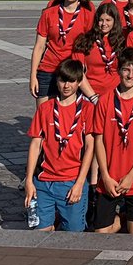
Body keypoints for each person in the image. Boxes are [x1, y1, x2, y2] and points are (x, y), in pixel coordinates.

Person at [90, 48, 133, 234]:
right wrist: (104, 175)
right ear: (118, 70)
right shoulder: (105, 100)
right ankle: (120, 219)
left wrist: (131, 175)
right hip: (109, 179)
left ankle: (125, 218)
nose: (130, 75)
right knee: (100, 235)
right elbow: (98, 140)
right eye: (126, 70)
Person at [23, 59, 95, 232]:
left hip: (71, 182)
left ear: (79, 82)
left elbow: (90, 147)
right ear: (56, 80)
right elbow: (35, 145)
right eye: (63, 80)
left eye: (71, 81)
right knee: (40, 233)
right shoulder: (46, 108)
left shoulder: (87, 109)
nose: (66, 86)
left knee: (73, 235)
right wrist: (29, 180)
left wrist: (79, 183)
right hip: (44, 182)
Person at [30, 0, 94, 107]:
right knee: (44, 116)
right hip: (48, 69)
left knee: (66, 117)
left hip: (70, 72)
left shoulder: (87, 15)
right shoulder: (49, 13)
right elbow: (39, 46)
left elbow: (89, 47)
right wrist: (33, 76)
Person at [73, 1, 124, 102]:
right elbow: (78, 72)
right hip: (90, 96)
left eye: (108, 20)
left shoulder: (122, 42)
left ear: (115, 21)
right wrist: (93, 97)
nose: (104, 24)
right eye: (101, 20)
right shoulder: (85, 41)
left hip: (115, 96)